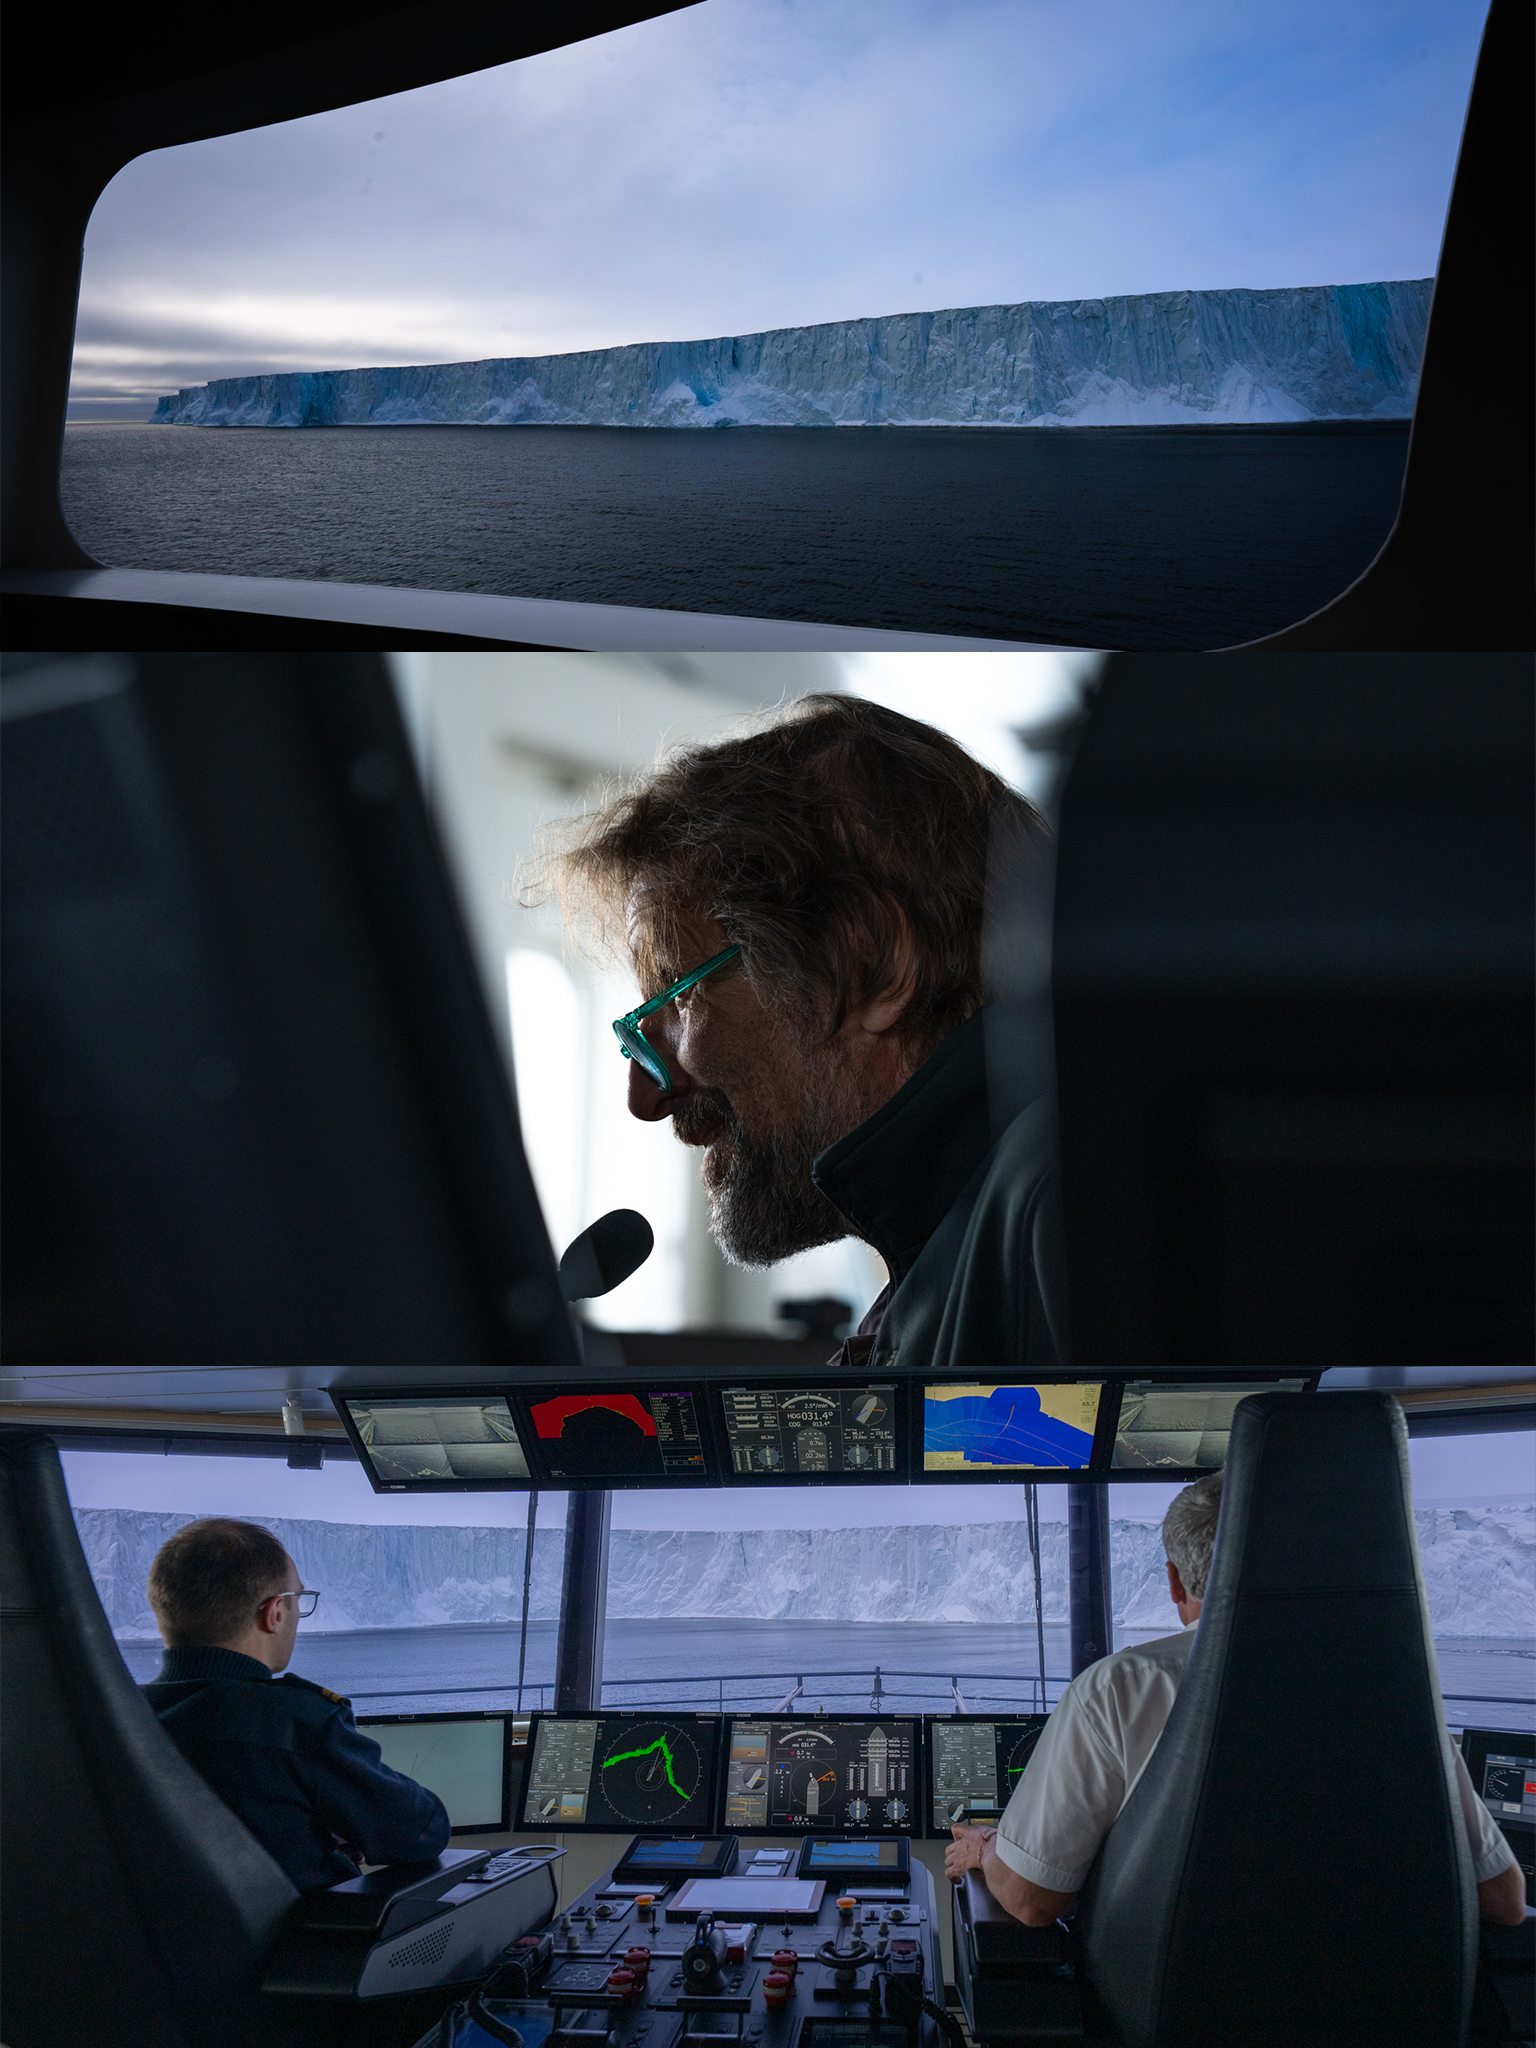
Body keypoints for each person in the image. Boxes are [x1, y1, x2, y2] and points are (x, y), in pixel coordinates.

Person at [546, 693, 1061, 1377]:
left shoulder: (1065, 1207)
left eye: (678, 995)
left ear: (870, 964)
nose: (646, 1096)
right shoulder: (971, 1251)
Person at [943, 1473, 1528, 1929]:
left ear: (1174, 1582)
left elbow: (1032, 1899)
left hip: (1168, 2018)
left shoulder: (1119, 1690)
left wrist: (986, 1849)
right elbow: (1502, 1900)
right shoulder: (1392, 1687)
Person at [141, 1517, 450, 1893]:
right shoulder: (297, 1724)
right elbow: (423, 1832)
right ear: (274, 1613)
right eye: (297, 1600)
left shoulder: (122, 1719)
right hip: (308, 1930)